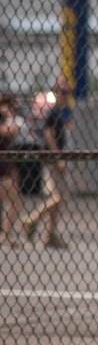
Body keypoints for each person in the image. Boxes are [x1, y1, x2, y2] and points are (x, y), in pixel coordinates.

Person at [23, 79, 71, 248]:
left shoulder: (60, 111)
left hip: (55, 157)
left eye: (67, 93)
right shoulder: (53, 111)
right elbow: (48, 134)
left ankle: (49, 234)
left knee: (57, 197)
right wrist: (58, 158)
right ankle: (32, 219)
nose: (66, 96)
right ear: (56, 92)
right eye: (63, 92)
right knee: (61, 196)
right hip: (53, 159)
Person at [0, 94, 24, 249]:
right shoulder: (3, 121)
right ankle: (5, 235)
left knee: (15, 199)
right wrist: (8, 115)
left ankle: (6, 235)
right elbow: (10, 131)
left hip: (3, 169)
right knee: (15, 199)